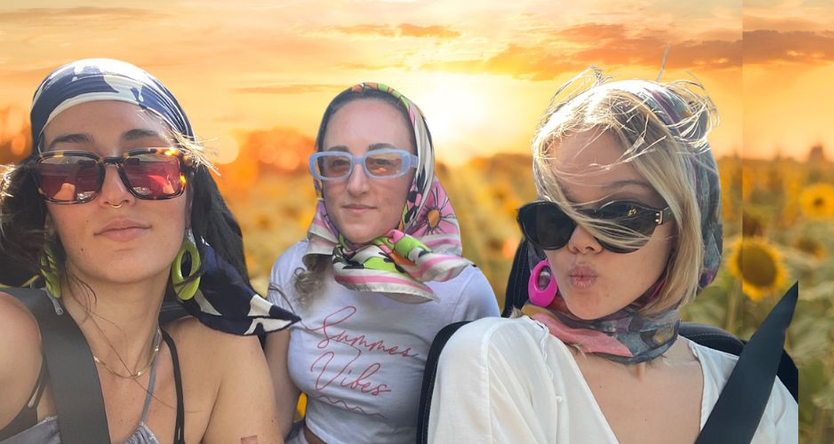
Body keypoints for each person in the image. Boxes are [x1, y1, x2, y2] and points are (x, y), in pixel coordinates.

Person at [427, 70, 798, 443]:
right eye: (558, 216)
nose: (580, 241)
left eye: (621, 215)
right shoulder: (498, 361)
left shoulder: (764, 398)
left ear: (686, 228)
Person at [0, 58, 298, 444]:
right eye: (72, 170)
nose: (115, 194)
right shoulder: (11, 338)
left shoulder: (222, 358)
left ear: (189, 197)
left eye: (147, 164)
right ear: (46, 211)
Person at [264, 83, 497, 444]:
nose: (356, 185)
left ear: (417, 178)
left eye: (382, 163)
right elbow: (273, 416)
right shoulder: (296, 266)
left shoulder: (461, 292)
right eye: (338, 162)